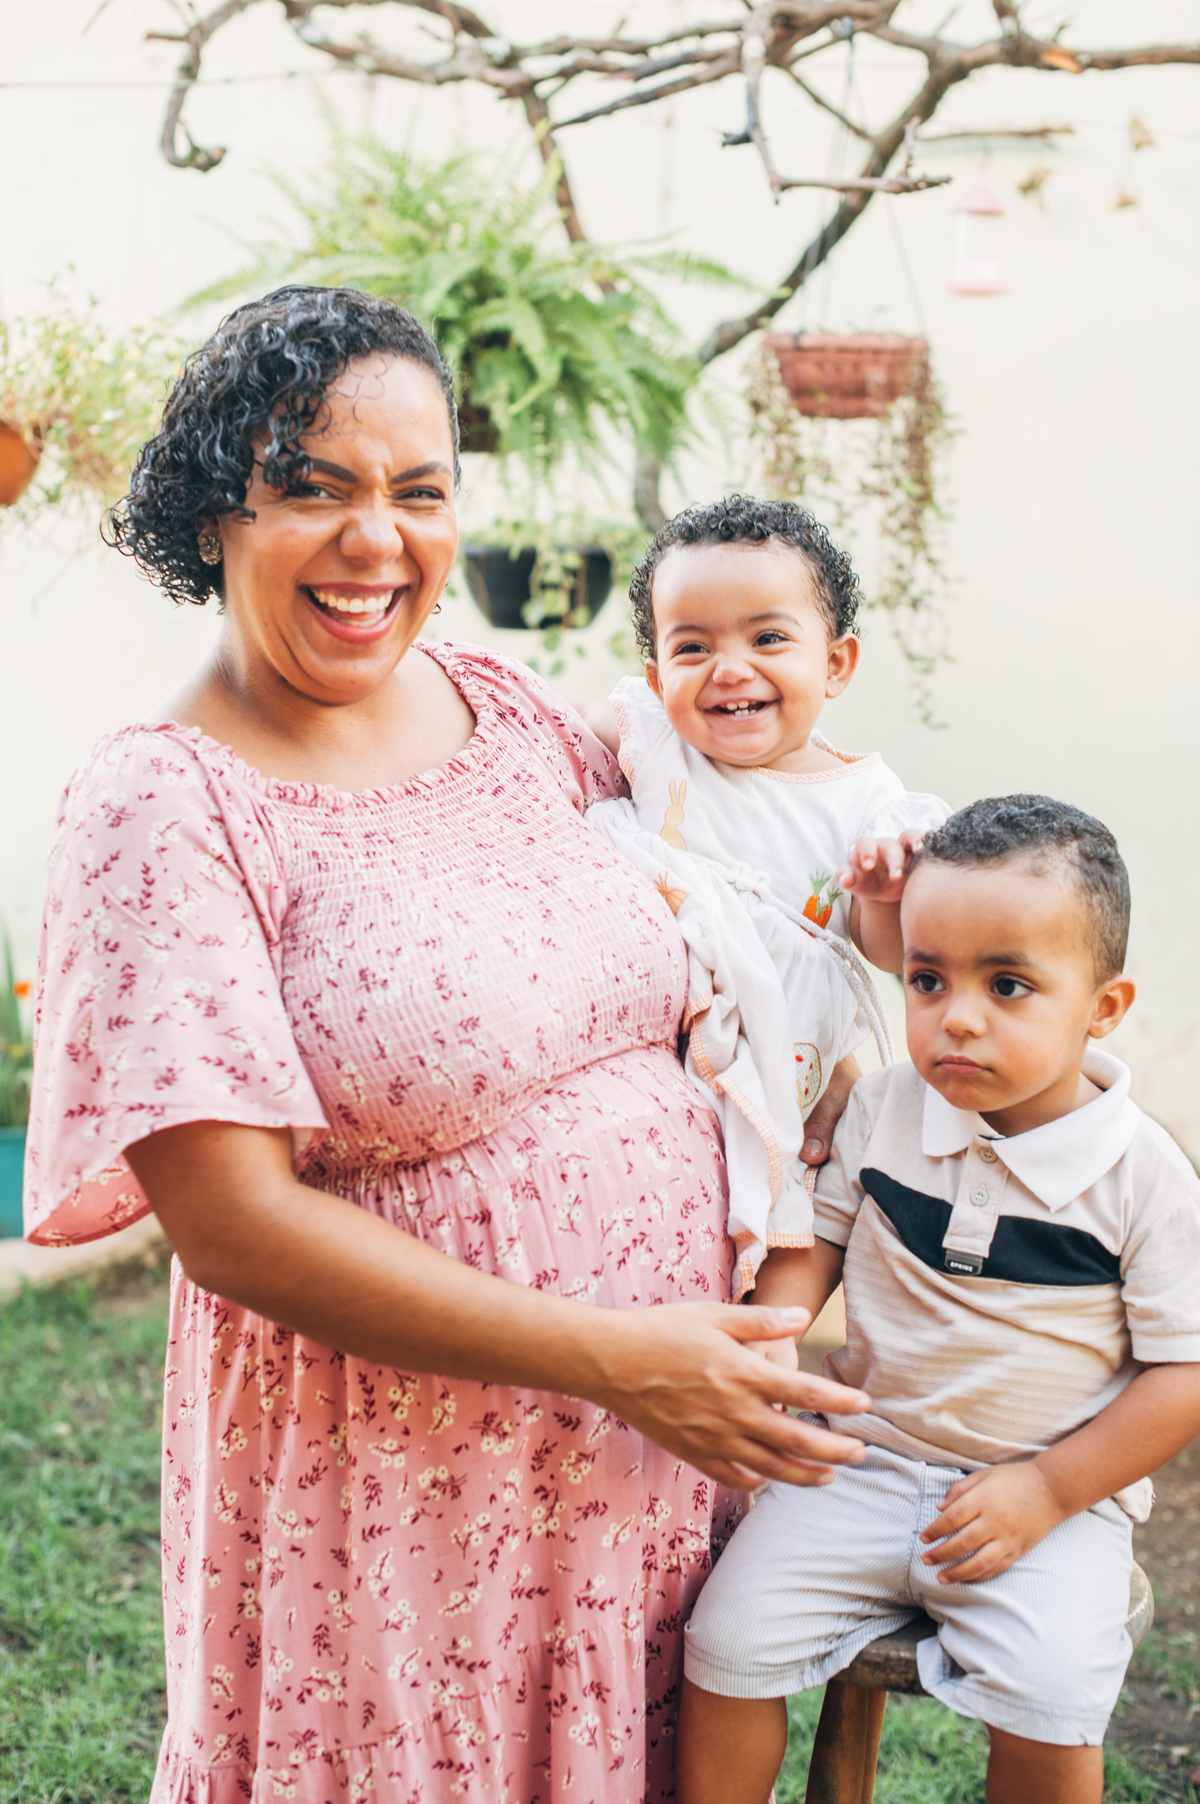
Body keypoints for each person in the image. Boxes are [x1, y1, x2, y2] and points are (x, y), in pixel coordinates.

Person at [22, 286, 870, 1804]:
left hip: (643, 1453)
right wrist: (617, 1360)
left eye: (419, 491)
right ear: (214, 509)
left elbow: (736, 849)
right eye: (313, 487)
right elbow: (232, 1225)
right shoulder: (162, 804)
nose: (377, 539)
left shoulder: (507, 704)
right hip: (399, 1491)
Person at [676, 796, 1200, 1804]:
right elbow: (818, 1242)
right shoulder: (884, 1109)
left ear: (1104, 1008)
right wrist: (775, 1344)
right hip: (860, 1466)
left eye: (1008, 985)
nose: (956, 1016)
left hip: (1049, 1498)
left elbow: (1184, 1374)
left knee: (1051, 1701)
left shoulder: (1145, 1177)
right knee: (725, 1642)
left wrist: (1048, 1491)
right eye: (927, 978)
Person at [584, 497, 948, 1296]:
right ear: (657, 677)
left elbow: (884, 951)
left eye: (769, 638)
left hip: (780, 1062)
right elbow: (531, 739)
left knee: (792, 1205)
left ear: (837, 664)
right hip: (653, 1055)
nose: (729, 668)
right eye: (692, 646)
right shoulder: (652, 733)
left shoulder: (868, 802)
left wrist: (884, 893)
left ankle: (768, 1341)